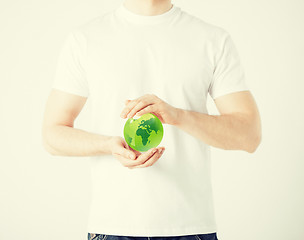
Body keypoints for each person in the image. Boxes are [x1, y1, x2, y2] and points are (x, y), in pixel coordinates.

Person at [42, 0, 262, 240]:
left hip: (191, 228)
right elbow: (52, 135)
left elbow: (249, 135)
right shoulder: (85, 39)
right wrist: (108, 145)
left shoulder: (212, 39)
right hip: (112, 227)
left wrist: (178, 115)